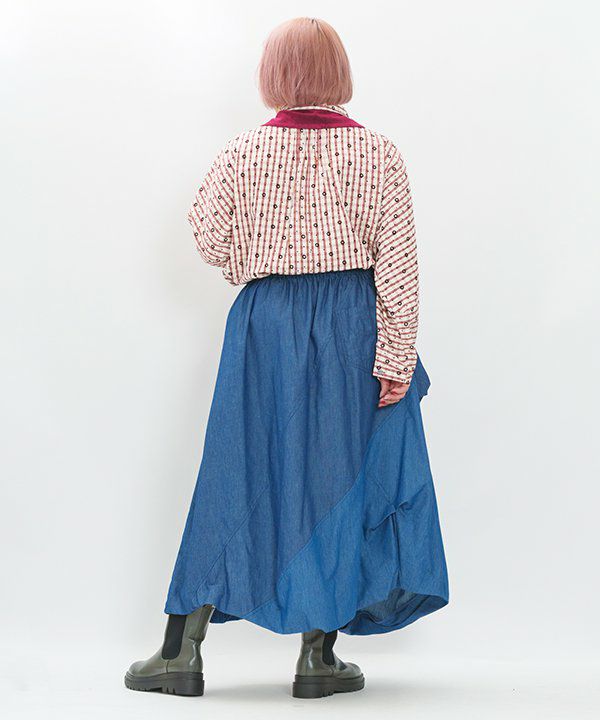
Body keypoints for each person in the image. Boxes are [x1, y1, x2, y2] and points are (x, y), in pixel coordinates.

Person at [125, 16, 448, 700]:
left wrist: (254, 262)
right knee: (341, 476)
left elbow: (207, 234)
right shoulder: (379, 154)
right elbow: (399, 266)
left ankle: (180, 652)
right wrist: (395, 357)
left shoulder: (242, 152)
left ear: (272, 76)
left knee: (235, 472)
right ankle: (316, 658)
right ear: (340, 73)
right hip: (351, 323)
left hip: (264, 324)